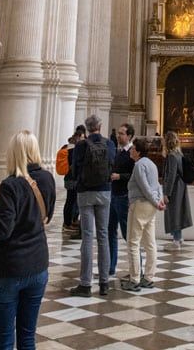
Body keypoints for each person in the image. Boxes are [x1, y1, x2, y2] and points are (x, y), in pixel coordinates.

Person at [0, 130, 56, 350]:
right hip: (38, 264)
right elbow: (48, 215)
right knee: (28, 338)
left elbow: (3, 231)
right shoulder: (47, 178)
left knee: (5, 342)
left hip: (10, 267)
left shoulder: (10, 185)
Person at [70, 113, 115, 297]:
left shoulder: (81, 145)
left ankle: (86, 284)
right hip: (104, 191)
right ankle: (104, 283)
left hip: (85, 192)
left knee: (87, 237)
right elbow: (113, 163)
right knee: (103, 236)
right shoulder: (110, 144)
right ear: (100, 126)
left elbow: (74, 169)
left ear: (87, 128)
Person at [120, 137, 165, 292]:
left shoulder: (139, 165)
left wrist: (155, 201)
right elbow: (158, 185)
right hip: (150, 206)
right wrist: (158, 201)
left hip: (140, 204)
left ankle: (134, 279)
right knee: (149, 242)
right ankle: (149, 277)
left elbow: (145, 187)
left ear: (137, 151)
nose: (131, 151)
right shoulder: (151, 164)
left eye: (132, 149)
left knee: (133, 242)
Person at [109, 122, 134, 276]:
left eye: (122, 133)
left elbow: (134, 175)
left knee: (128, 235)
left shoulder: (132, 153)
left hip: (124, 197)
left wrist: (119, 176)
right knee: (110, 231)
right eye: (118, 133)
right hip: (113, 195)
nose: (119, 136)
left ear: (129, 136)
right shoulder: (118, 151)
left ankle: (135, 270)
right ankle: (111, 266)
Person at [162, 130, 192, 249]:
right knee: (177, 211)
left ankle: (176, 240)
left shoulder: (172, 156)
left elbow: (171, 175)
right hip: (180, 186)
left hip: (175, 188)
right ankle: (178, 237)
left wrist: (166, 193)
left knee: (174, 213)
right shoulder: (179, 154)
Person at [61, 126, 86, 235]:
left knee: (71, 200)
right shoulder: (75, 148)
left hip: (68, 177)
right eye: (83, 137)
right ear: (80, 136)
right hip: (74, 178)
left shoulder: (66, 146)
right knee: (72, 201)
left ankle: (70, 221)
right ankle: (68, 223)